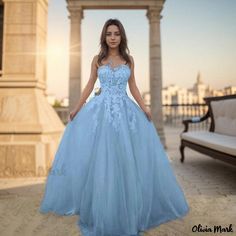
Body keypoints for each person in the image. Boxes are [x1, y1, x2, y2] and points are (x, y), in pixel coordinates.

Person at [39, 18, 189, 236]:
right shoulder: (97, 59)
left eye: (116, 33)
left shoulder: (129, 60)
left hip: (125, 114)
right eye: (109, 33)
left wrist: (145, 108)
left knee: (124, 160)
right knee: (102, 161)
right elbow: (90, 85)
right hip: (101, 113)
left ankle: (126, 208)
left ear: (121, 36)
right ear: (104, 36)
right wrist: (77, 108)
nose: (112, 37)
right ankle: (103, 208)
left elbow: (134, 86)